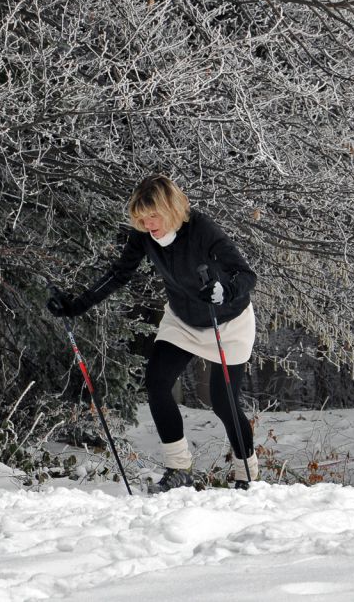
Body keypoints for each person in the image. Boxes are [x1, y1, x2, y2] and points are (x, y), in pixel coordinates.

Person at [48, 175, 259, 492]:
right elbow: (119, 274)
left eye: (153, 216)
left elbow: (245, 274)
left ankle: (248, 473)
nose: (148, 224)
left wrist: (224, 291)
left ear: (170, 209)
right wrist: (76, 305)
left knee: (223, 402)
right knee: (157, 383)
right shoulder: (144, 236)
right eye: (142, 219)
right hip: (182, 320)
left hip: (227, 321)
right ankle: (179, 468)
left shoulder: (202, 229)